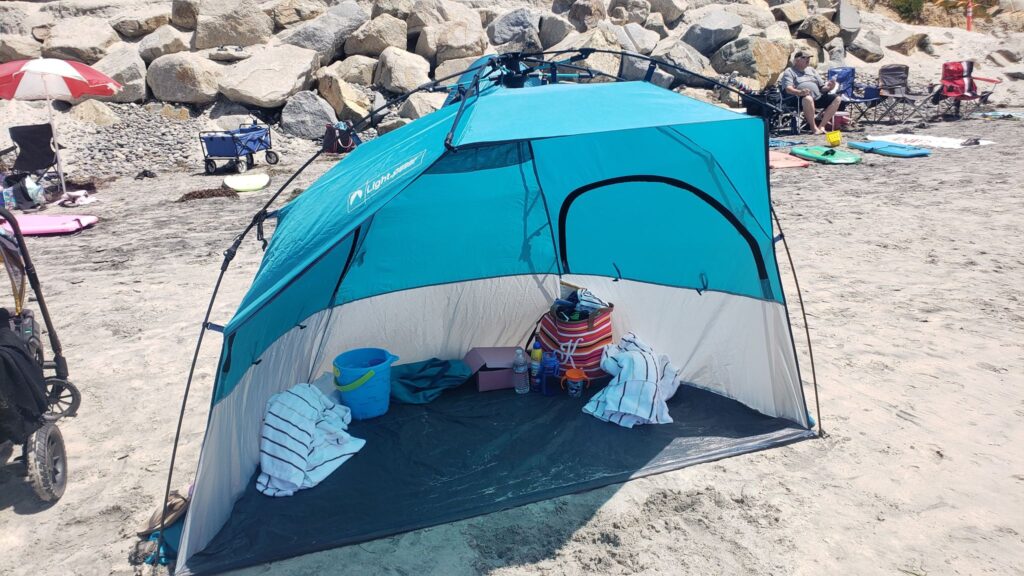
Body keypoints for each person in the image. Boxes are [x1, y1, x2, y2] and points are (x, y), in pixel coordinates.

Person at [779, 50, 842, 135]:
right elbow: (788, 89)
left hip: (817, 97)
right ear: (797, 60)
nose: (808, 60)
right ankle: (814, 128)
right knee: (808, 99)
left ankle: (821, 126)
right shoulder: (790, 71)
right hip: (798, 99)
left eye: (809, 58)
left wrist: (830, 87)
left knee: (837, 98)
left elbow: (822, 88)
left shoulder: (811, 70)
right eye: (805, 58)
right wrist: (800, 92)